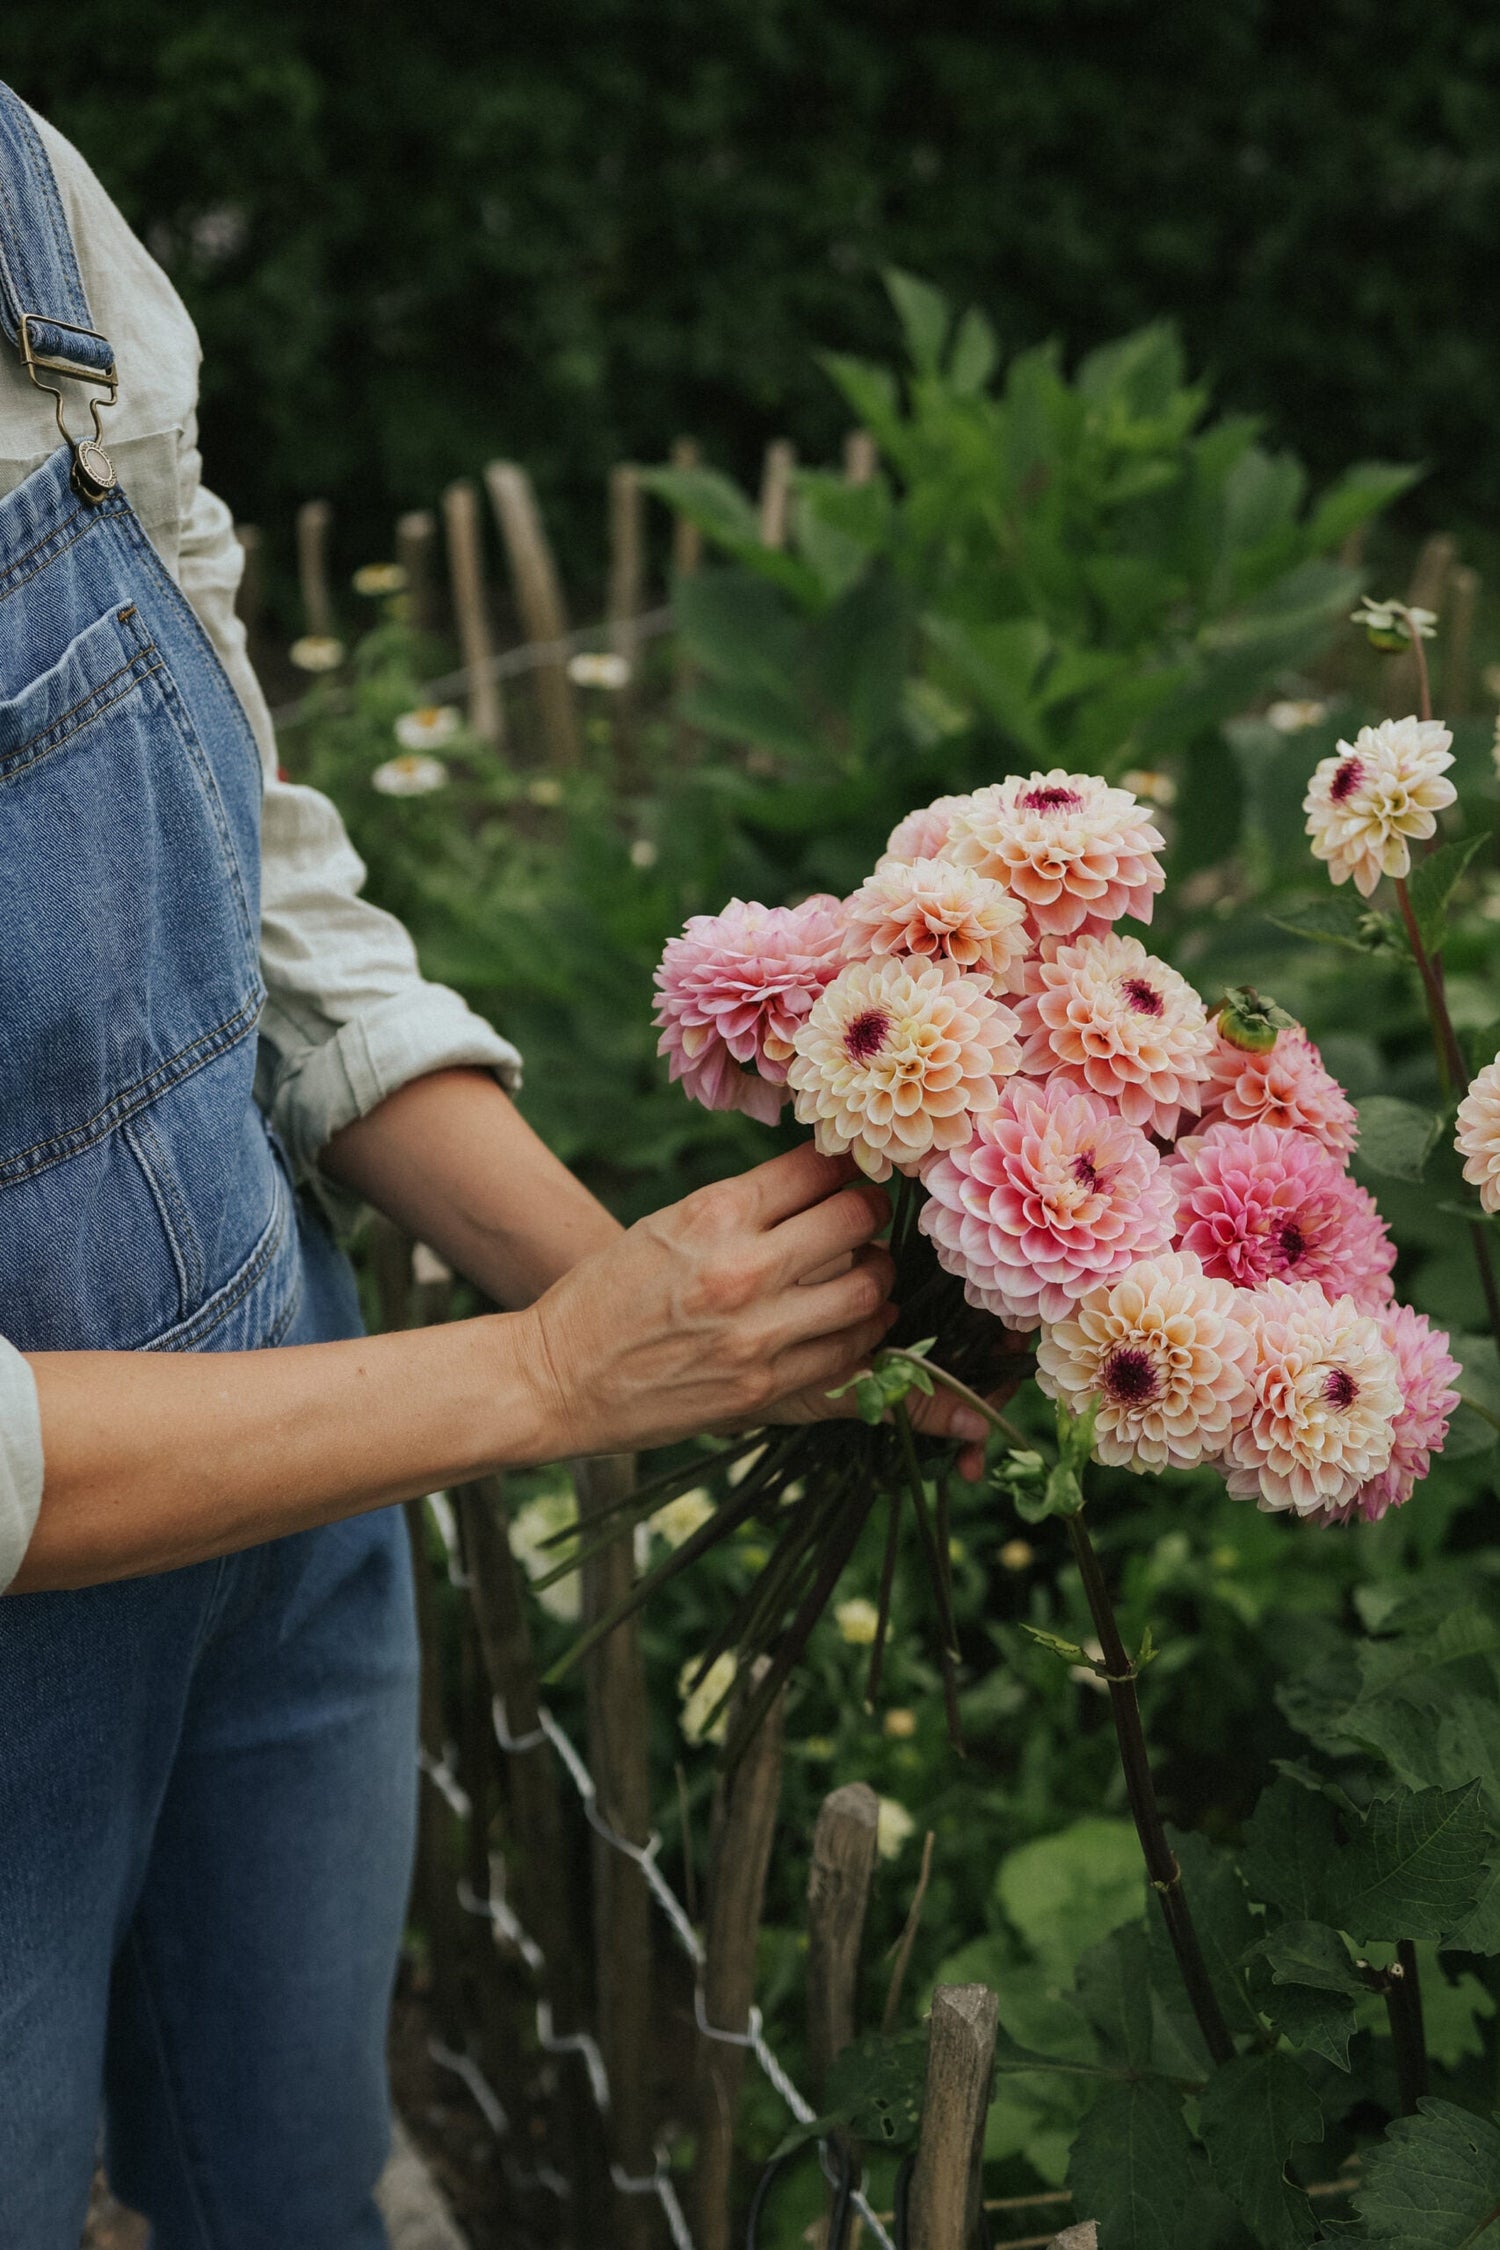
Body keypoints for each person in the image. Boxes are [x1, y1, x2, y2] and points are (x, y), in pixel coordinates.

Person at [0, 87, 987, 2250]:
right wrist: (548, 1378)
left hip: (302, 1462)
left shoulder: (24, 197)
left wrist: (676, 1307)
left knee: (291, 2184)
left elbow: (240, 852)